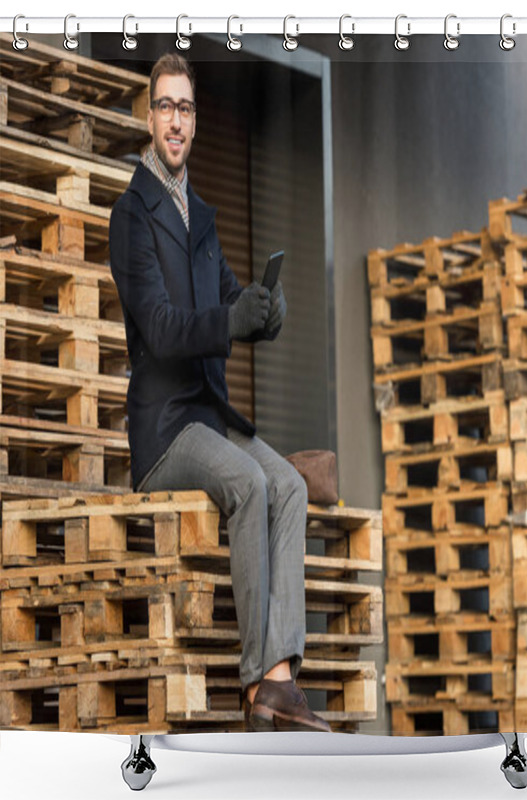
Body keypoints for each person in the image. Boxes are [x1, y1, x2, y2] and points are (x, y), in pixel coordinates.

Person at [109, 53, 330, 733]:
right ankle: (260, 682)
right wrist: (228, 322)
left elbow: (231, 299)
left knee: (289, 486)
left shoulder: (199, 215)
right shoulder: (132, 215)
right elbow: (164, 329)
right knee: (251, 484)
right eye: (166, 106)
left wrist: (264, 311)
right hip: (166, 429)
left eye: (187, 108)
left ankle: (280, 679)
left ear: (195, 122)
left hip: (211, 414)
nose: (176, 120)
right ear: (150, 118)